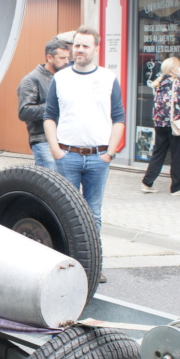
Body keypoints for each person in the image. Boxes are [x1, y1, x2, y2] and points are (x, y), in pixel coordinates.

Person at [44, 26, 125, 283]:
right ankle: (66, 264)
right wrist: (56, 150)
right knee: (65, 211)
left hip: (98, 157)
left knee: (93, 214)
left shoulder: (108, 78)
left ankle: (92, 265)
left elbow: (119, 119)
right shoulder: (61, 78)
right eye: (76, 45)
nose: (79, 50)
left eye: (85, 46)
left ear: (96, 49)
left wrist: (110, 153)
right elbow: (49, 116)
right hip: (67, 155)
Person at [140, 56, 180, 195]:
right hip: (174, 124)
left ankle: (147, 182)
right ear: (173, 69)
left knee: (158, 153)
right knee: (177, 155)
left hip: (160, 123)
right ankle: (177, 186)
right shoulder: (178, 84)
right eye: (179, 65)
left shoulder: (160, 83)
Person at [18, 36, 70, 171]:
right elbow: (24, 112)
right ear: (49, 58)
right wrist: (54, 107)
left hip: (66, 139)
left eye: (68, 58)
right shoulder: (31, 80)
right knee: (50, 185)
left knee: (66, 187)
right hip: (43, 139)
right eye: (62, 58)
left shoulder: (65, 78)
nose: (67, 62)